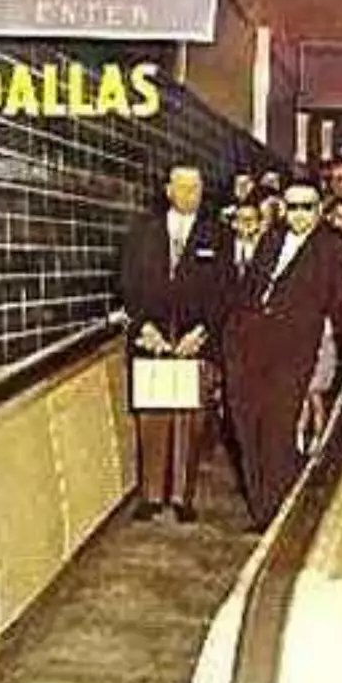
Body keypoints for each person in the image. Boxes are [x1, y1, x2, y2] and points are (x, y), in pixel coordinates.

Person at [223, 182, 342, 529]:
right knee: (247, 427)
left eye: (306, 207)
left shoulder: (332, 247)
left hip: (293, 351)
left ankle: (274, 515)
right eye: (292, 207)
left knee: (278, 429)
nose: (298, 214)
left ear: (319, 209)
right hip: (248, 345)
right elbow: (249, 288)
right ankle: (261, 505)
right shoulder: (272, 238)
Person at [116, 163, 228, 522]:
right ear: (167, 190)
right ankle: (151, 495)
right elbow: (126, 284)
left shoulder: (217, 235)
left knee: (189, 418)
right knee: (153, 416)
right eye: (181, 187)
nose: (188, 194)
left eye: (195, 187)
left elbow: (226, 292)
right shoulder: (141, 233)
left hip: (195, 342)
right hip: (152, 341)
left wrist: (203, 332)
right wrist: (143, 326)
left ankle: (182, 497)